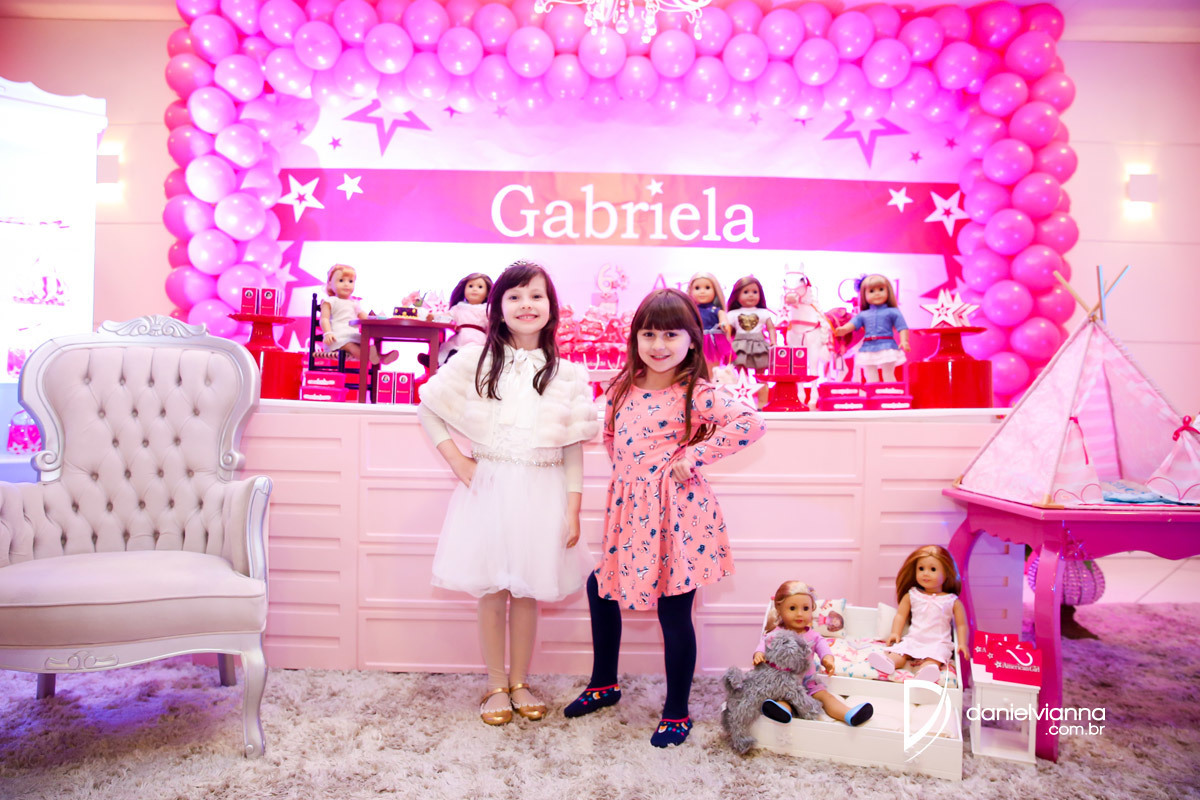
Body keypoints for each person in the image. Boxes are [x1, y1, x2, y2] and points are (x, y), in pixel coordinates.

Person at [564, 288, 766, 747]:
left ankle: (677, 710)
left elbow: (752, 423)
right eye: (649, 334)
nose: (658, 344)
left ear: (692, 340)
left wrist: (694, 455)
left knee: (674, 608)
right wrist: (632, 487)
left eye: (671, 334)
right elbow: (613, 439)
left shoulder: (696, 391)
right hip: (631, 511)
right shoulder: (621, 387)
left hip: (678, 513)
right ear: (635, 338)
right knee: (601, 588)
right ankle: (604, 683)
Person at [418, 261, 599, 726]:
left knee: (528, 590)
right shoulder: (472, 361)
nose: (526, 305)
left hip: (542, 492)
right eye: (514, 296)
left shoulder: (568, 374)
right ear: (497, 307)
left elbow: (572, 447)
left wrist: (573, 508)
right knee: (492, 587)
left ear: (551, 307)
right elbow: (428, 409)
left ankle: (520, 681)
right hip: (490, 489)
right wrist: (459, 461)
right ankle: (496, 684)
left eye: (536, 296)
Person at [753, 580, 874, 726]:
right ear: (779, 609)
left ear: (812, 609)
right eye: (792, 608)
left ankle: (849, 714)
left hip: (808, 682)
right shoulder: (775, 634)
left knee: (826, 697)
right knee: (783, 699)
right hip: (785, 683)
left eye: (805, 608)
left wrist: (828, 660)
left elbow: (824, 650)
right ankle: (782, 712)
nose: (799, 614)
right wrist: (759, 654)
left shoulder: (814, 636)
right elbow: (763, 645)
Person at [868, 545, 970, 684]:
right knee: (901, 650)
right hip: (914, 639)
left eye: (932, 569)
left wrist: (962, 644)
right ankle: (890, 662)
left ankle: (926, 671)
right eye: (921, 569)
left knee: (936, 656)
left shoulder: (951, 601)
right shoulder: (912, 595)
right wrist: (895, 633)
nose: (925, 573)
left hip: (938, 642)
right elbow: (900, 616)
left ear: (947, 573)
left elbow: (962, 625)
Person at [833, 274, 909, 383]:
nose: (877, 293)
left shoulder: (892, 312)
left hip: (887, 346)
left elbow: (902, 327)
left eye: (881, 289)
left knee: (888, 374)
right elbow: (853, 324)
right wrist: (843, 329)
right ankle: (872, 391)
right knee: (871, 376)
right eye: (871, 291)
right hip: (868, 347)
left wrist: (904, 341)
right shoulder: (863, 314)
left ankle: (890, 392)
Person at [319, 264, 399, 365]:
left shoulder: (354, 303)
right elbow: (324, 319)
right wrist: (327, 333)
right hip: (336, 338)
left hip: (351, 335)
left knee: (366, 343)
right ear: (330, 283)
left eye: (350, 281)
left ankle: (379, 357)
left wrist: (376, 318)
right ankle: (375, 358)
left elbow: (364, 317)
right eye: (341, 280)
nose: (346, 284)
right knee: (351, 345)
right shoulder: (330, 301)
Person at [726, 275, 776, 374]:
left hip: (759, 344)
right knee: (740, 367)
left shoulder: (763, 312)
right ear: (737, 295)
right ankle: (742, 382)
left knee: (761, 367)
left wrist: (773, 341)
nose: (751, 295)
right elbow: (728, 330)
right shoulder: (733, 314)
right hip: (739, 345)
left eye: (755, 292)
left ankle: (762, 383)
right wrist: (727, 343)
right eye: (746, 292)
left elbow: (771, 328)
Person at [439, 272, 492, 365]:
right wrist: (434, 316)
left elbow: (491, 325)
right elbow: (448, 316)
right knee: (448, 348)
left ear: (487, 293)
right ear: (464, 290)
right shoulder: (458, 307)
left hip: (477, 339)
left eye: (480, 287)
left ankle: (449, 360)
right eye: (470, 286)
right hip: (460, 337)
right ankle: (436, 361)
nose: (474, 289)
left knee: (471, 352)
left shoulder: (487, 308)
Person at [687, 272, 733, 366]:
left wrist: (723, 324)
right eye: (697, 288)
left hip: (712, 342)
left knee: (712, 364)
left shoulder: (717, 311)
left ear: (715, 290)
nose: (702, 291)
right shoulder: (691, 311)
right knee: (695, 364)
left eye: (707, 288)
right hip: (696, 340)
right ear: (690, 291)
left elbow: (724, 320)